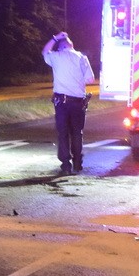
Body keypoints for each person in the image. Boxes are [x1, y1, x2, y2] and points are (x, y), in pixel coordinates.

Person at [42, 31, 96, 174]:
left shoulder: (56, 56)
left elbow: (45, 51)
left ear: (60, 47)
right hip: (78, 102)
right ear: (72, 46)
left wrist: (55, 37)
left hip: (62, 102)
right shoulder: (82, 58)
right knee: (77, 133)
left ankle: (66, 165)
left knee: (63, 133)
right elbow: (90, 79)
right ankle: (78, 163)